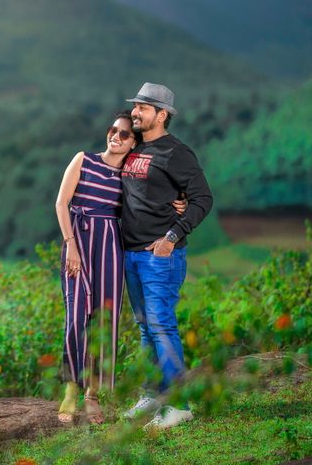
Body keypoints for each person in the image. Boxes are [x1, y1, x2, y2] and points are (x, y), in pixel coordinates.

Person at [54, 111, 186, 424]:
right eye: (113, 130)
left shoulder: (129, 173)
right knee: (76, 317)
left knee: (105, 321)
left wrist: (179, 200)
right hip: (79, 243)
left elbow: (150, 196)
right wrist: (70, 244)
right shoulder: (84, 160)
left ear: (133, 143)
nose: (116, 136)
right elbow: (61, 203)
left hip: (112, 247)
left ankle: (93, 395)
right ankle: (71, 390)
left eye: (125, 134)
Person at [119, 82, 213, 429]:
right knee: (146, 328)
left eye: (144, 107)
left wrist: (172, 236)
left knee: (161, 326)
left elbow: (203, 199)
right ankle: (152, 394)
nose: (136, 112)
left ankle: (180, 404)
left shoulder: (176, 152)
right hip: (131, 255)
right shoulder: (132, 148)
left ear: (162, 114)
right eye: (136, 106)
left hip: (161, 256)